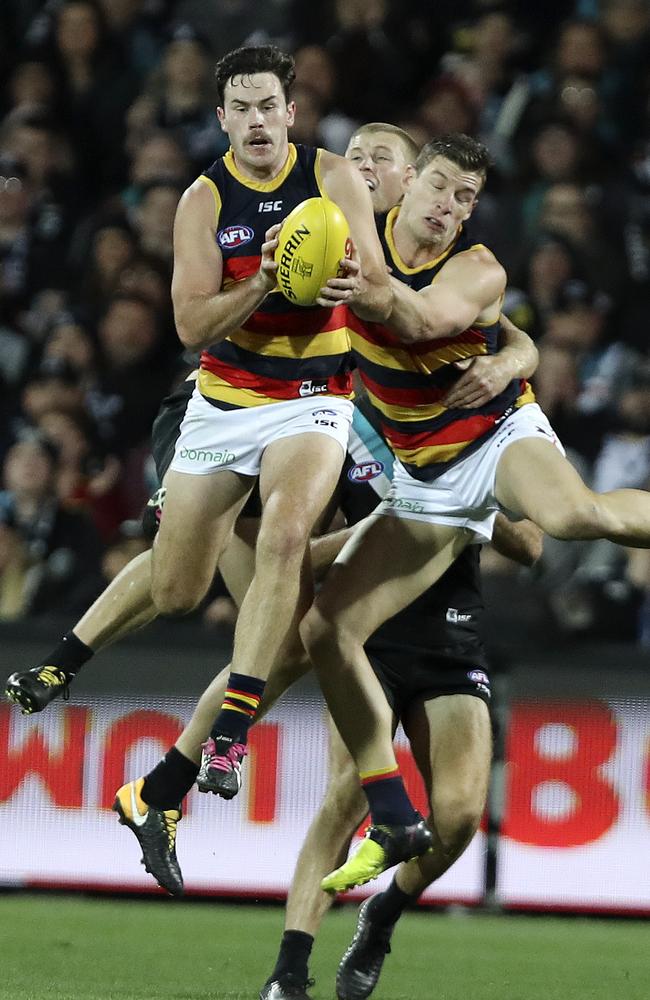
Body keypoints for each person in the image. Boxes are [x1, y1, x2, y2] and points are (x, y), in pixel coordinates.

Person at [298, 132, 650, 896]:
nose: (451, 207)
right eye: (441, 187)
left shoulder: (476, 264)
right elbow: (307, 169)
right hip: (425, 477)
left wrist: (345, 275)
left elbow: (420, 320)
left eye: (467, 197)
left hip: (492, 434)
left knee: (574, 516)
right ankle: (372, 804)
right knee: (325, 627)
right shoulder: (352, 224)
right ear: (411, 182)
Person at [149, 42, 390, 801]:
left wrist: (353, 280)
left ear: (292, 112)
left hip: (317, 390)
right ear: (222, 119)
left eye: (269, 107)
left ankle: (229, 733)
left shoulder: (333, 177)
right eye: (242, 109)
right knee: (176, 593)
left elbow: (380, 287)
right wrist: (267, 277)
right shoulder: (202, 201)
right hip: (228, 397)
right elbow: (191, 325)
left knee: (288, 531)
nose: (257, 122)